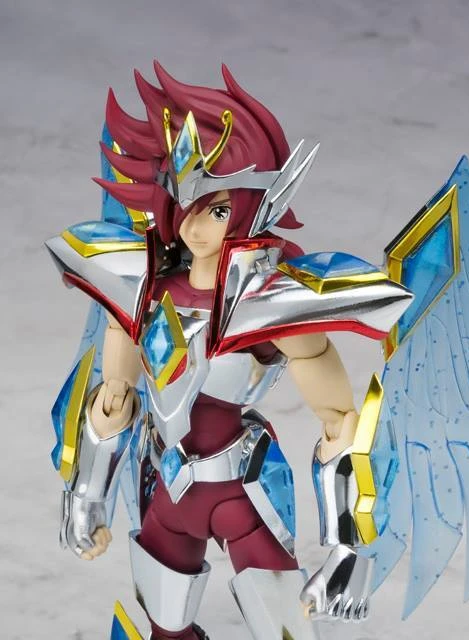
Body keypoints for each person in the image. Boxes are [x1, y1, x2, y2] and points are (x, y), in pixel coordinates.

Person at [45, 62, 415, 640]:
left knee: (283, 629)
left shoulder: (265, 302)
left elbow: (341, 421)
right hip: (167, 490)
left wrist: (350, 549)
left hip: (240, 491)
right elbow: (114, 399)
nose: (197, 226)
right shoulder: (144, 287)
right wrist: (87, 494)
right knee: (166, 627)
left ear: (249, 206)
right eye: (188, 204)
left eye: (217, 209)